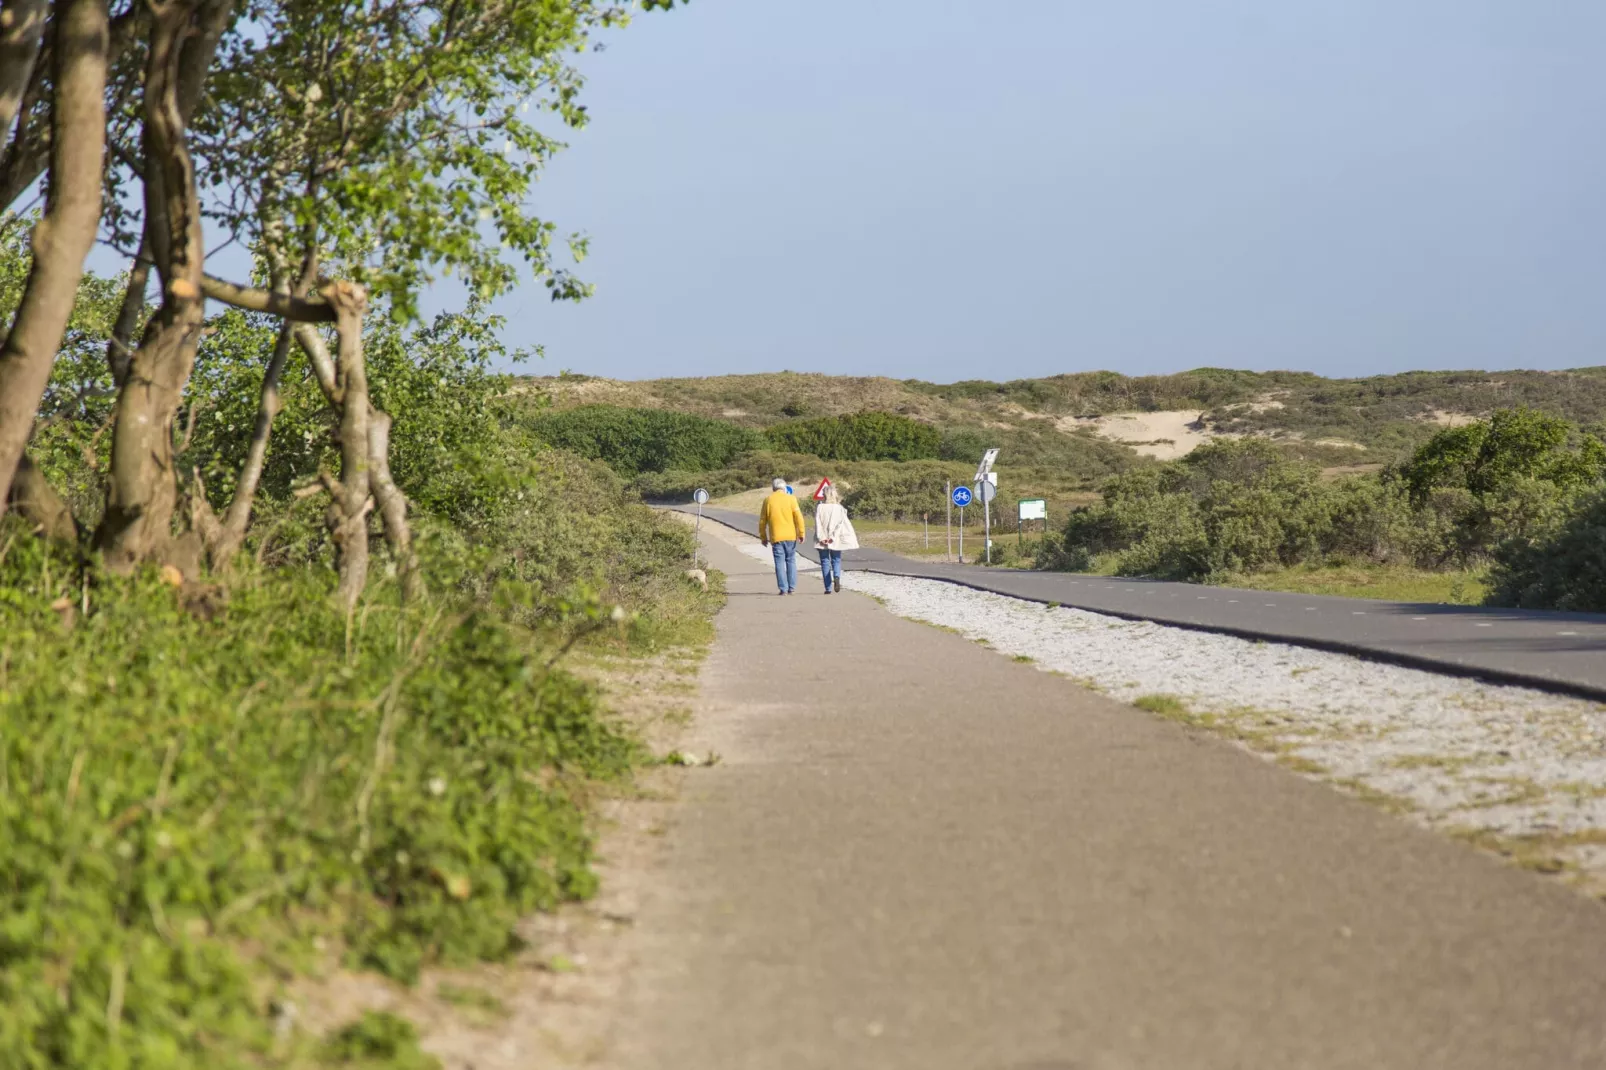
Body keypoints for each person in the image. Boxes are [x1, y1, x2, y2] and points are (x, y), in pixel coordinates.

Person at [758, 476, 806, 595]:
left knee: (779, 562)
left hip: (776, 537)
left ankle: (783, 588)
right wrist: (801, 533)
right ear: (784, 488)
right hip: (790, 536)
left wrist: (763, 537)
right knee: (791, 561)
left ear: (773, 488)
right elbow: (798, 517)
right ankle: (792, 587)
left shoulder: (768, 500)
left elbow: (762, 521)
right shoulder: (791, 499)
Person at [812, 484, 858, 594]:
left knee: (824, 561)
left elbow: (818, 523)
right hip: (835, 539)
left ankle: (828, 588)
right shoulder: (840, 508)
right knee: (836, 559)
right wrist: (832, 537)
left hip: (821, 539)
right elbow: (840, 525)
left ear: (825, 495)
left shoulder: (820, 507)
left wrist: (822, 537)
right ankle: (836, 576)